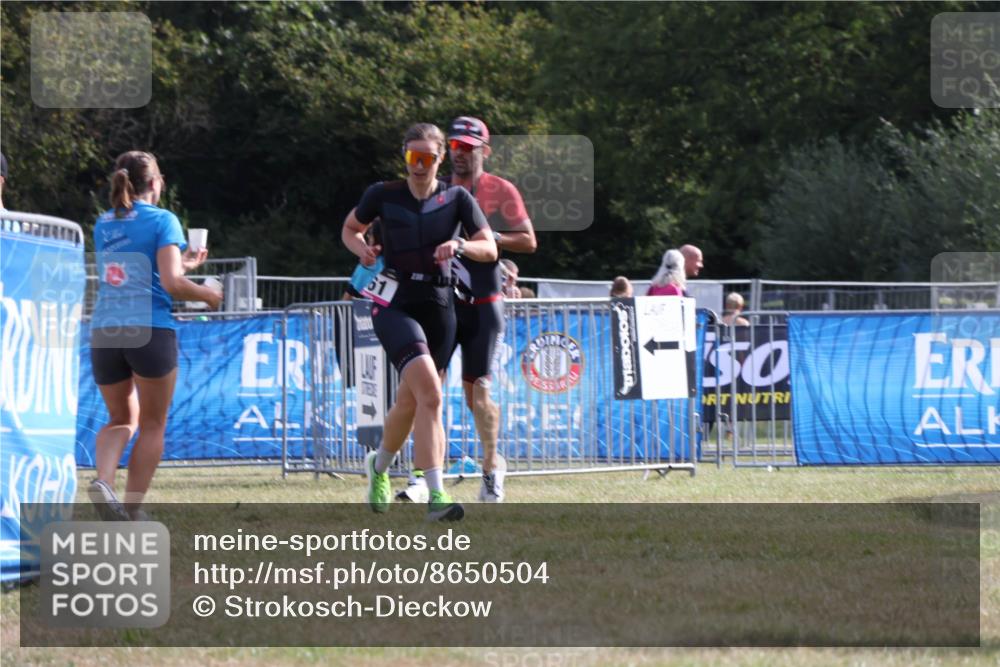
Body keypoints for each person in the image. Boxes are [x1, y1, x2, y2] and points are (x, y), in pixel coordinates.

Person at [342, 122, 496, 522]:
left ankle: (378, 467)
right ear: (405, 156)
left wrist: (461, 244)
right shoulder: (383, 194)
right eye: (413, 157)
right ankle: (436, 496)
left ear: (440, 158)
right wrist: (361, 249)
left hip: (440, 303)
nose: (419, 165)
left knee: (412, 402)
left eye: (427, 157)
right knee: (432, 395)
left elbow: (489, 247)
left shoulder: (457, 197)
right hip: (395, 302)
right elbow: (350, 228)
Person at [88, 151, 222, 521]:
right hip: (149, 329)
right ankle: (131, 510)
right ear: (155, 182)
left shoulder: (104, 223)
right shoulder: (165, 220)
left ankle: (104, 481)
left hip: (105, 331)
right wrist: (209, 293)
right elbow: (171, 284)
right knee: (151, 424)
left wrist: (186, 263)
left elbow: (134, 270)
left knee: (119, 419)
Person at [444, 116, 536, 503]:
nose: (460, 154)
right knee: (424, 389)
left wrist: (488, 236)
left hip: (484, 304)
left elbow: (529, 241)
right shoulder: (436, 189)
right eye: (454, 147)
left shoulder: (500, 189)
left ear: (485, 150)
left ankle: (491, 468)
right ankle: (421, 477)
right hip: (443, 304)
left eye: (468, 147)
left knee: (478, 396)